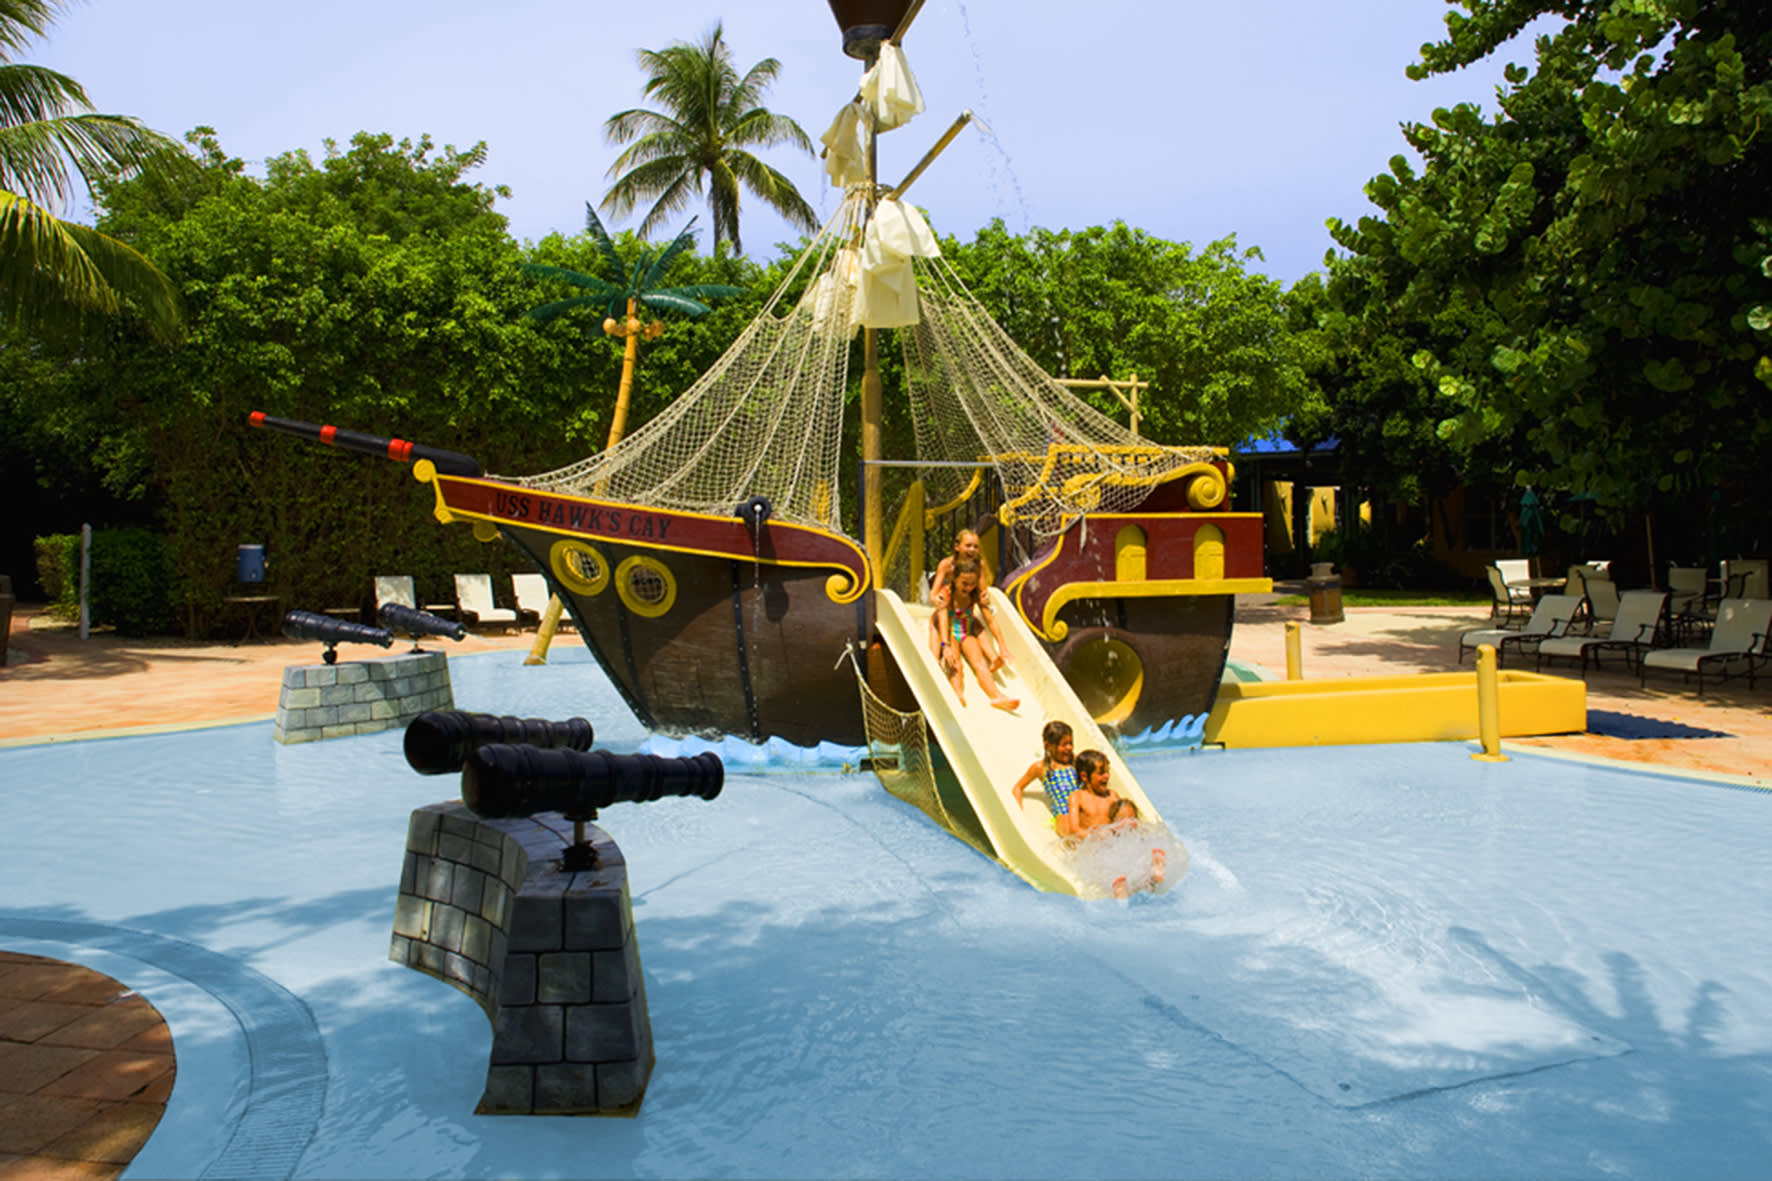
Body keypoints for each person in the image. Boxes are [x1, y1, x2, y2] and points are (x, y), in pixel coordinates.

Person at [1066, 749, 1167, 898]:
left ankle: (1153, 871)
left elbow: (1122, 818)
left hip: (1112, 841)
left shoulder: (1112, 795)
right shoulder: (1077, 797)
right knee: (1101, 864)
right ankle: (1119, 888)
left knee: (1133, 851)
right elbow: (1074, 829)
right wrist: (1094, 837)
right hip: (1093, 846)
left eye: (1107, 772)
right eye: (1101, 773)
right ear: (1084, 776)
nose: (1107, 776)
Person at [935, 556, 1017, 711]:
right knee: (955, 664)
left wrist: (1002, 646)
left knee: (980, 663)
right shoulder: (946, 594)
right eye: (964, 583)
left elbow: (990, 620)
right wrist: (945, 646)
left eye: (972, 584)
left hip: (966, 632)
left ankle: (996, 695)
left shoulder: (975, 594)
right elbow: (943, 621)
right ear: (954, 579)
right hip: (950, 633)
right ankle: (957, 693)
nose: (968, 587)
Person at [927, 528, 1000, 665]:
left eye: (976, 547)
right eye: (968, 546)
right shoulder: (947, 564)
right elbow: (933, 593)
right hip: (948, 605)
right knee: (937, 619)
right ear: (957, 546)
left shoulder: (979, 565)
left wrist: (985, 597)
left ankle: (994, 656)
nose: (972, 550)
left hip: (964, 609)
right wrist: (936, 600)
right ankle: (935, 659)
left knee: (978, 622)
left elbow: (982, 591)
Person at [1008, 720, 1077, 834]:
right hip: (1064, 815)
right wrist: (1019, 814)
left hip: (1084, 811)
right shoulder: (1041, 767)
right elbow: (1018, 788)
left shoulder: (1076, 762)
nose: (1069, 748)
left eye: (1071, 743)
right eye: (1064, 744)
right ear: (1048, 746)